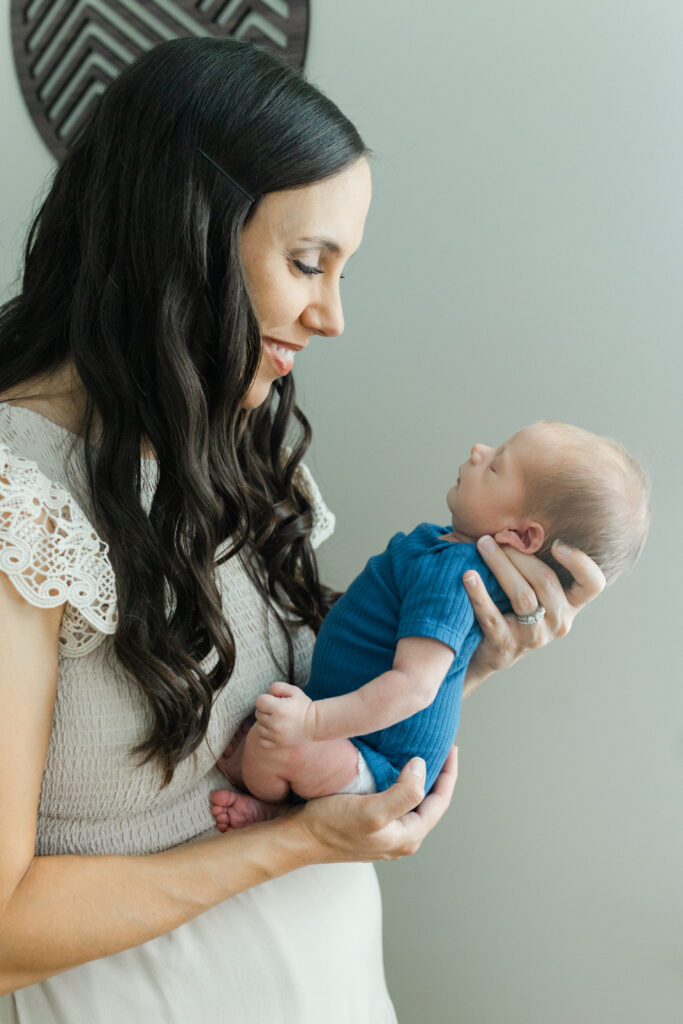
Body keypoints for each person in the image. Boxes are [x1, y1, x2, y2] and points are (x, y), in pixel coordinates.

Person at [0, 37, 606, 1024]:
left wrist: (449, 662)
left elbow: (288, 709)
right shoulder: (16, 502)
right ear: (181, 234)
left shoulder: (228, 444)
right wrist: (303, 842)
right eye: (305, 262)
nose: (331, 316)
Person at [210, 420, 650, 826]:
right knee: (269, 743)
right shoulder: (440, 548)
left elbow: (415, 686)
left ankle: (274, 807)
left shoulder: (455, 576)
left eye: (497, 465)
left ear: (522, 536)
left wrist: (312, 721)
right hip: (359, 736)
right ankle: (275, 795)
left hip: (377, 759)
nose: (478, 450)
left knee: (276, 746)